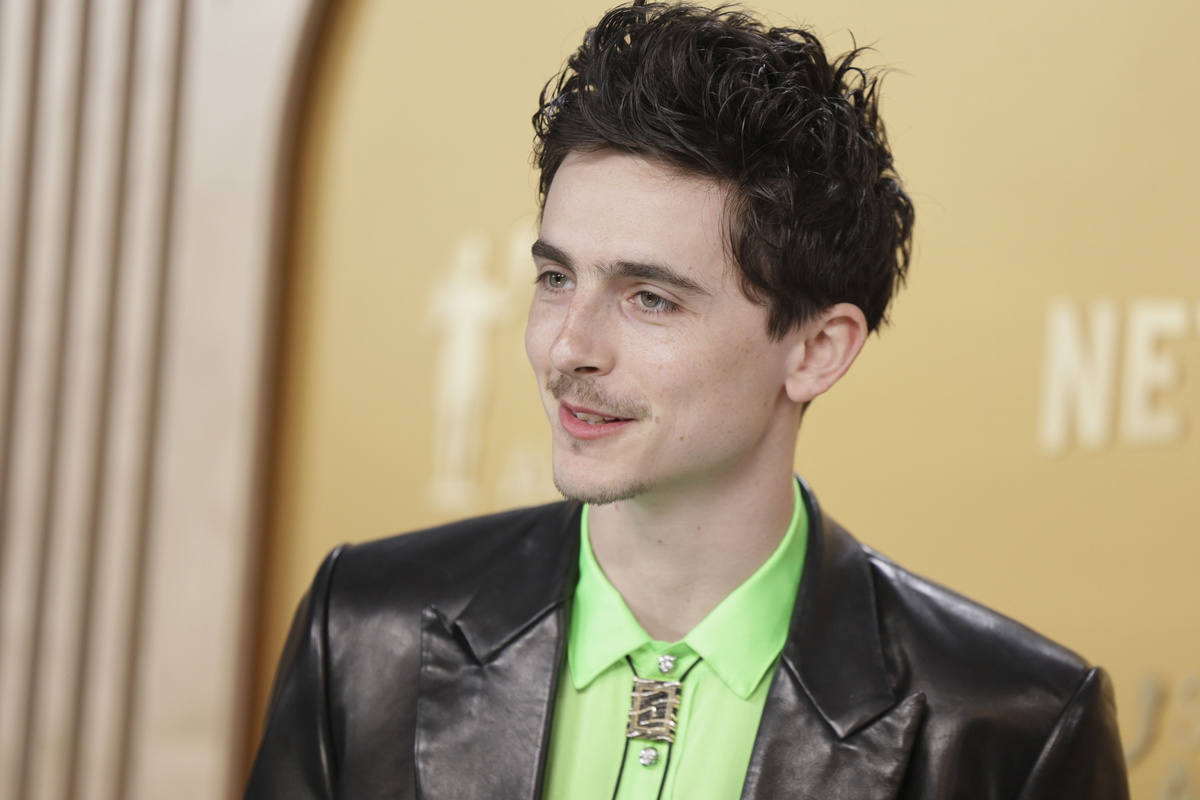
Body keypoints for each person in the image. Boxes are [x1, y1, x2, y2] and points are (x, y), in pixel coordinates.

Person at [245, 3, 1129, 798]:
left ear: (817, 351)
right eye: (556, 278)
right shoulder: (362, 631)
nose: (569, 347)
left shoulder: (1008, 728)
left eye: (649, 298)